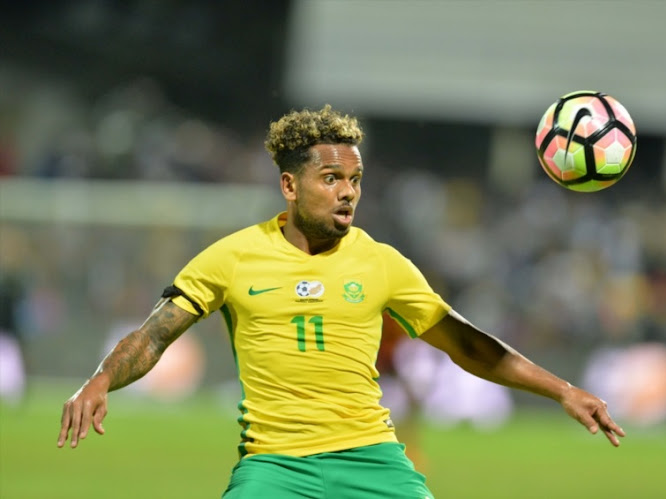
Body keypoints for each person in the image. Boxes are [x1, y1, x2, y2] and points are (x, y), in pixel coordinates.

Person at [58, 105, 625, 498]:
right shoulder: (230, 258)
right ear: (289, 186)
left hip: (370, 458)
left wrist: (563, 390)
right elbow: (153, 336)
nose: (348, 190)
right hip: (273, 465)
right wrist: (101, 379)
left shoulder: (382, 263)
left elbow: (470, 346)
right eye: (331, 178)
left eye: (354, 178)